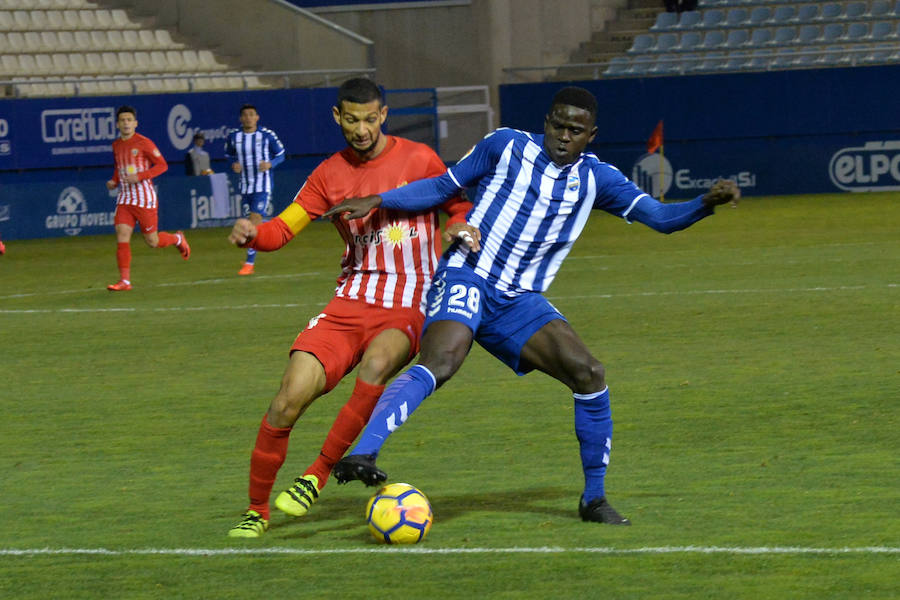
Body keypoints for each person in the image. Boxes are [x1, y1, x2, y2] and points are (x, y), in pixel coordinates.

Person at [325, 86, 740, 525]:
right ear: (546, 123)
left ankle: (594, 499)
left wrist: (705, 204)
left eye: (575, 130)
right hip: (468, 273)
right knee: (443, 359)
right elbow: (444, 185)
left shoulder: (598, 179)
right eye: (558, 125)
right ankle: (365, 452)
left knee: (589, 372)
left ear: (590, 135)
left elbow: (660, 218)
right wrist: (379, 199)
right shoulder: (505, 145)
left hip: (518, 300)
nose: (564, 136)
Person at [225, 78, 477, 538]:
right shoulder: (328, 174)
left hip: (409, 300)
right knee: (287, 400)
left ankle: (316, 475)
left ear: (383, 115)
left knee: (377, 364)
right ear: (337, 117)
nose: (361, 129)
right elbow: (283, 230)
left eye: (369, 119)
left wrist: (457, 227)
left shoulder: (419, 158)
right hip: (350, 300)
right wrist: (253, 235)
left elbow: (458, 203)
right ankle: (256, 511)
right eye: (351, 119)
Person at [106, 105, 191, 292]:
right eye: (122, 120)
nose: (126, 123)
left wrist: (140, 176)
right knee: (122, 235)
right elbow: (119, 167)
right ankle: (125, 281)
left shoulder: (144, 143)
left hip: (144, 199)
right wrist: (114, 181)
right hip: (125, 199)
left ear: (135, 123)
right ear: (117, 124)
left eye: (129, 120)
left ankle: (177, 239)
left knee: (152, 241)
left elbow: (162, 166)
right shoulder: (116, 145)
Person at [225, 103, 286, 276]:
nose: (248, 117)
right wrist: (233, 164)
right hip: (245, 186)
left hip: (262, 185)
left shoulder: (267, 135)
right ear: (240, 118)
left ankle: (249, 264)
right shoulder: (234, 136)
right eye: (245, 115)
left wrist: (270, 164)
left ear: (257, 117)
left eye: (251, 114)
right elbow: (228, 154)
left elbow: (281, 154)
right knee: (254, 224)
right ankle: (277, 226)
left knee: (252, 222)